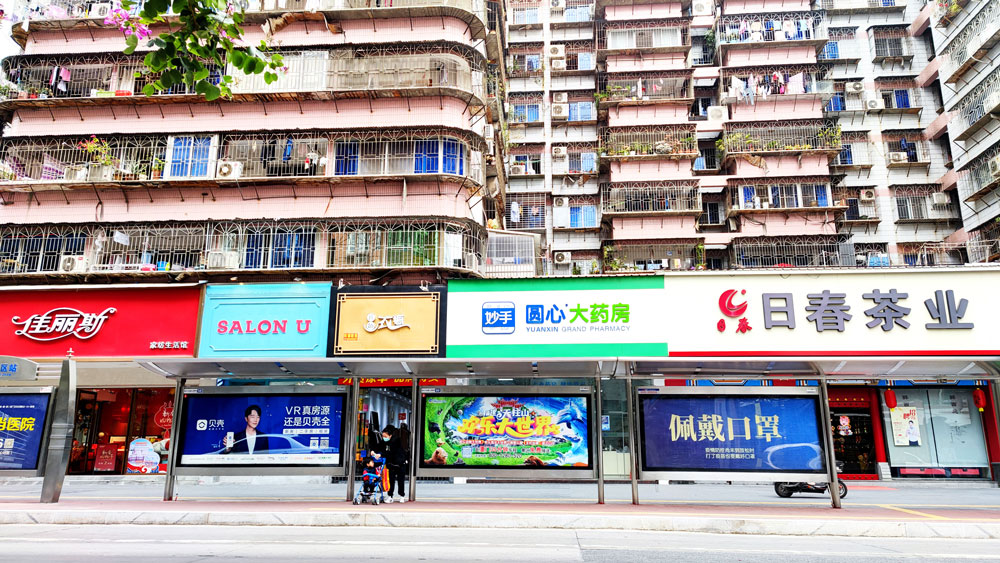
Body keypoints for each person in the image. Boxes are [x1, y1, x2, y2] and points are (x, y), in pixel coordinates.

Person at [382, 424, 408, 503]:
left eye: (385, 436)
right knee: (391, 480)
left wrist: (382, 454)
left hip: (400, 463)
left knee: (400, 480)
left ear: (390, 435)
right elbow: (382, 448)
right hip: (391, 464)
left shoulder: (395, 440)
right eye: (383, 436)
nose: (384, 438)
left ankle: (402, 496)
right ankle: (390, 496)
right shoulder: (386, 442)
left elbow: (390, 452)